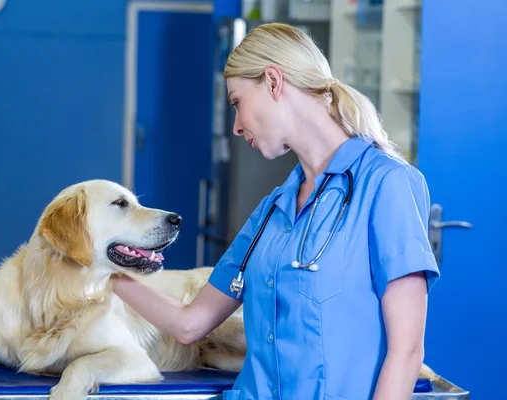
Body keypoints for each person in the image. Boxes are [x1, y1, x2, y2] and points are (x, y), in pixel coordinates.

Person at [113, 23, 440, 400]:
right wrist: (106, 274)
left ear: (272, 81)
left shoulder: (385, 184)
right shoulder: (274, 209)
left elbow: (406, 352)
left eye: (237, 102)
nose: (235, 126)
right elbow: (190, 324)